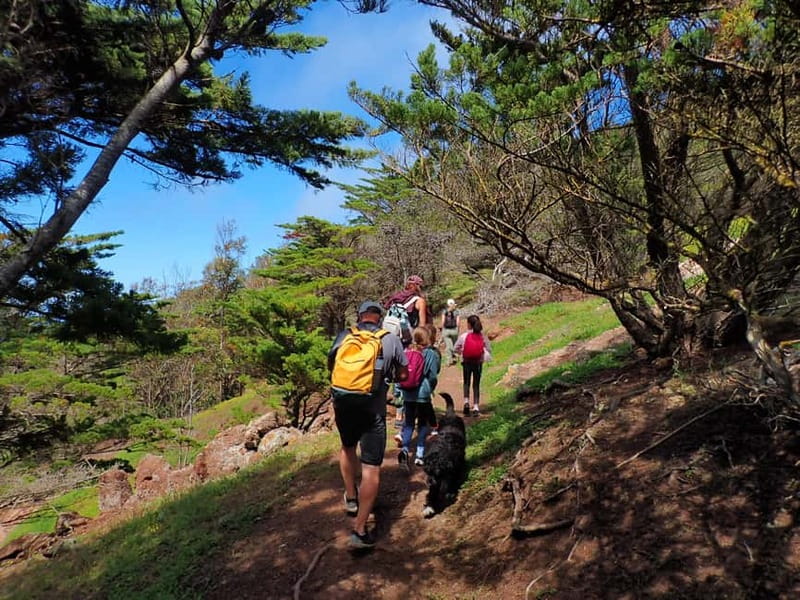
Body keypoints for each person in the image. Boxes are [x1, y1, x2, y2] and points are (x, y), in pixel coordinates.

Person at [328, 301, 408, 550]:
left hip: (343, 404)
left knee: (347, 447)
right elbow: (404, 375)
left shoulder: (345, 336)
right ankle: (360, 530)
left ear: (361, 316)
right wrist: (388, 376)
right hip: (372, 409)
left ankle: (351, 497)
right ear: (380, 318)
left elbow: (331, 367)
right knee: (372, 467)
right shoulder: (390, 339)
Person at [396, 327, 441, 467]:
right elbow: (433, 375)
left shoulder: (407, 352)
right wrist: (430, 387)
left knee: (409, 423)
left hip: (408, 394)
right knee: (422, 424)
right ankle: (420, 454)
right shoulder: (430, 354)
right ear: (427, 338)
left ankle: (404, 449)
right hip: (422, 395)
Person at [453, 314, 491, 417]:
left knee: (466, 382)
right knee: (476, 383)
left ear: (468, 324)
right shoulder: (483, 336)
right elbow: (489, 349)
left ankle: (466, 402)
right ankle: (476, 406)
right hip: (478, 363)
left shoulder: (464, 336)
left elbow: (455, 348)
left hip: (466, 362)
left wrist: (462, 352)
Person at [440, 298, 461, 366]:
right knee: (455, 344)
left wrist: (442, 329)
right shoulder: (457, 311)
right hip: (454, 330)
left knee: (448, 346)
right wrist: (458, 330)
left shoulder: (444, 311)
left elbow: (443, 321)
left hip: (446, 330)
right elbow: (458, 322)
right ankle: (457, 356)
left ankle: (448, 361)